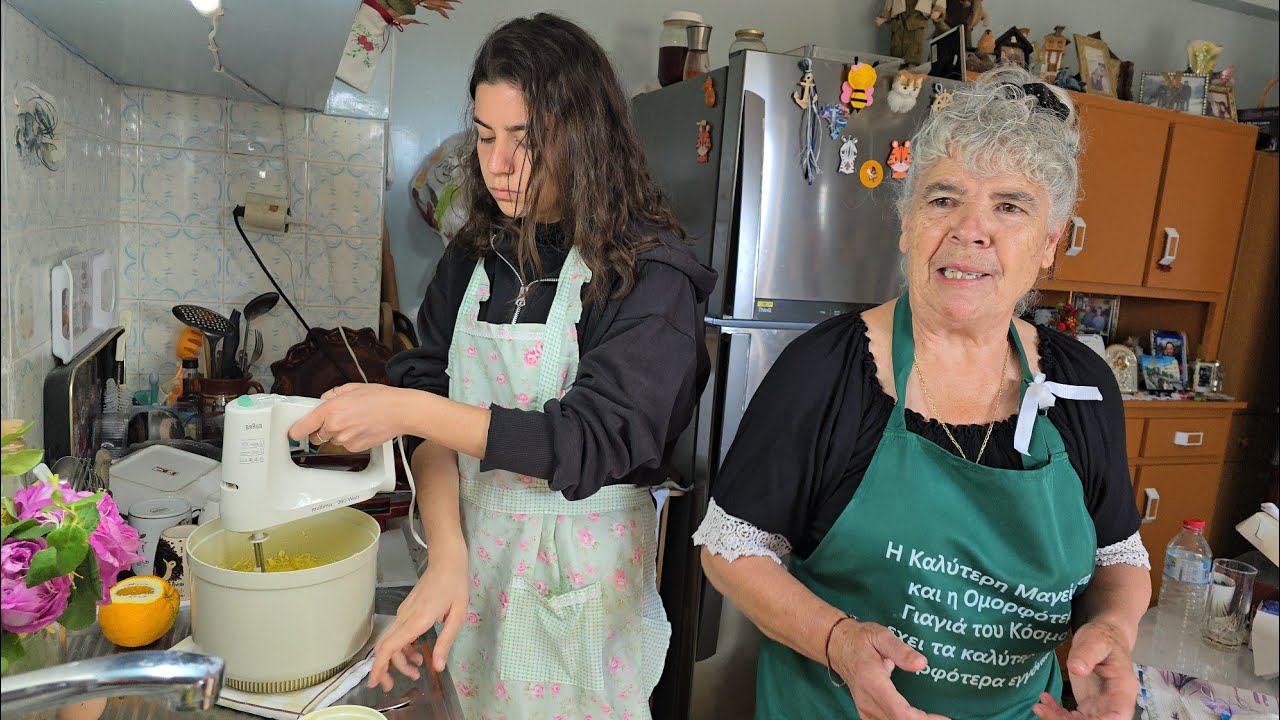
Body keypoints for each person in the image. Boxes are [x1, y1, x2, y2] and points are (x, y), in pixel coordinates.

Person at [288, 13, 716, 719]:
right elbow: (428, 401)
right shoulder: (473, 258)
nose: (499, 164)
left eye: (526, 138)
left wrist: (403, 408)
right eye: (486, 137)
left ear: (586, 134)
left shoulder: (648, 275)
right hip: (472, 579)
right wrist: (447, 553)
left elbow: (588, 438)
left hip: (578, 604)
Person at [693, 67, 1151, 719]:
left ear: (1050, 242)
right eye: (943, 199)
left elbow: (1118, 557)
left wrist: (1112, 631)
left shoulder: (1081, 385)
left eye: (1009, 206)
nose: (970, 230)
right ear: (907, 224)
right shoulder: (826, 372)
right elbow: (730, 549)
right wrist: (837, 641)